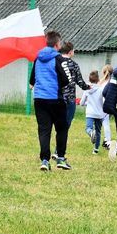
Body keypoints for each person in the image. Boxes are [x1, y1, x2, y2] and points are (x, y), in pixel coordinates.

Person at [29, 30, 72, 171]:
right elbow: (66, 80)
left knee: (44, 130)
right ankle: (60, 157)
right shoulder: (59, 59)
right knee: (62, 128)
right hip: (55, 99)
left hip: (39, 99)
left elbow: (32, 79)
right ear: (57, 44)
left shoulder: (38, 57)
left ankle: (45, 160)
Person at [80, 71, 105, 154]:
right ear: (98, 79)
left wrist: (88, 103)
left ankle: (91, 133)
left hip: (90, 113)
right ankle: (96, 149)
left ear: (89, 79)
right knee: (98, 131)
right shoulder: (101, 89)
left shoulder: (87, 90)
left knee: (88, 128)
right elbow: (103, 102)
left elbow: (82, 103)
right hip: (99, 113)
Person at [100, 64, 114, 148]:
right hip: (108, 105)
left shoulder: (101, 82)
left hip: (99, 105)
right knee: (106, 123)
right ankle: (107, 140)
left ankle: (107, 141)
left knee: (101, 124)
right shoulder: (112, 83)